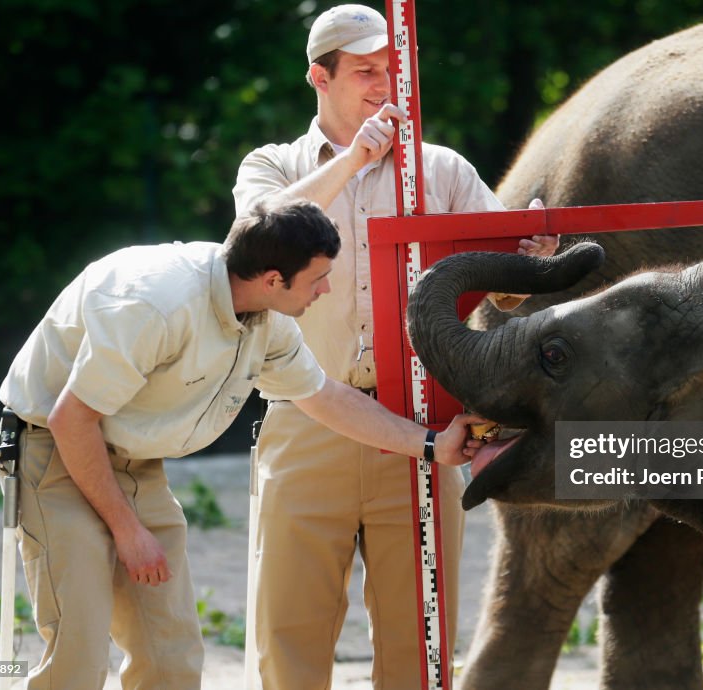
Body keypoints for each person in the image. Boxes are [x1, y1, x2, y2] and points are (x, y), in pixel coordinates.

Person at [0, 200, 486, 690]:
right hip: (57, 451)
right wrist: (128, 531)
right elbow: (71, 418)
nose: (327, 289)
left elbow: (326, 398)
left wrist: (430, 445)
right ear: (274, 279)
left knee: (171, 657)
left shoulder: (266, 317)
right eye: (318, 279)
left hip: (131, 459)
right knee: (77, 658)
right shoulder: (156, 306)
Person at [232, 4, 558, 688]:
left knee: (421, 642)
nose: (386, 86)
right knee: (289, 633)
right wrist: (355, 161)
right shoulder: (272, 164)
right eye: (367, 71)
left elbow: (503, 290)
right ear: (318, 77)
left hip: (421, 423)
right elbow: (261, 239)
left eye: (395, 71)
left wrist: (528, 255)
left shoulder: (438, 170)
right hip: (306, 417)